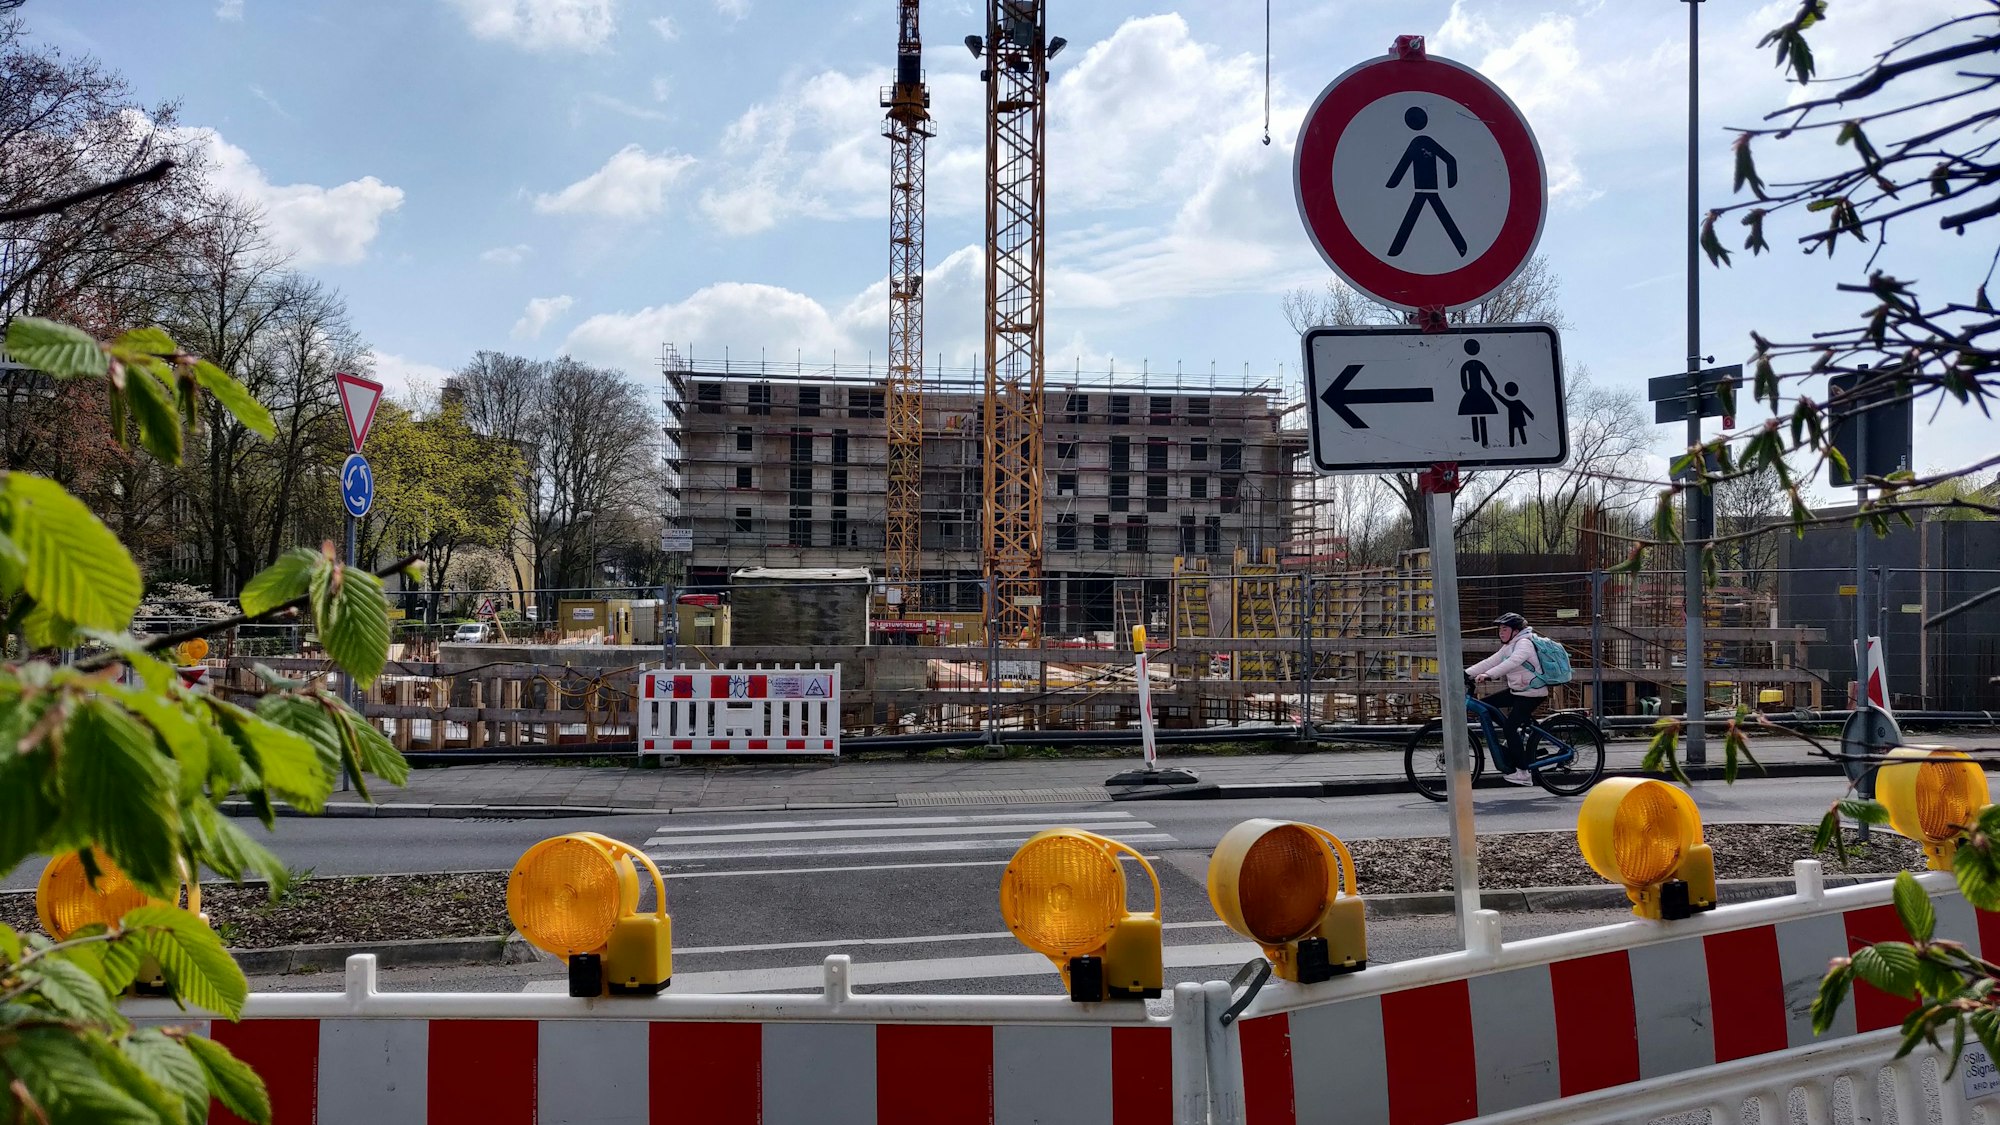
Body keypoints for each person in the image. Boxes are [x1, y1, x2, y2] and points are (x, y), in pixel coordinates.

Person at [1465, 611, 1547, 785]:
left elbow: (1511, 663)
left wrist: (1488, 675)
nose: (1501, 632)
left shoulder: (1524, 643)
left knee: (1509, 728)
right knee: (1486, 705)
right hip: (1519, 691)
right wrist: (1466, 674)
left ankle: (1523, 773)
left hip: (1532, 693)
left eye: (1505, 629)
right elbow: (1491, 660)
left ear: (1516, 631)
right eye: (1500, 629)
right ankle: (1515, 738)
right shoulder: (1510, 645)